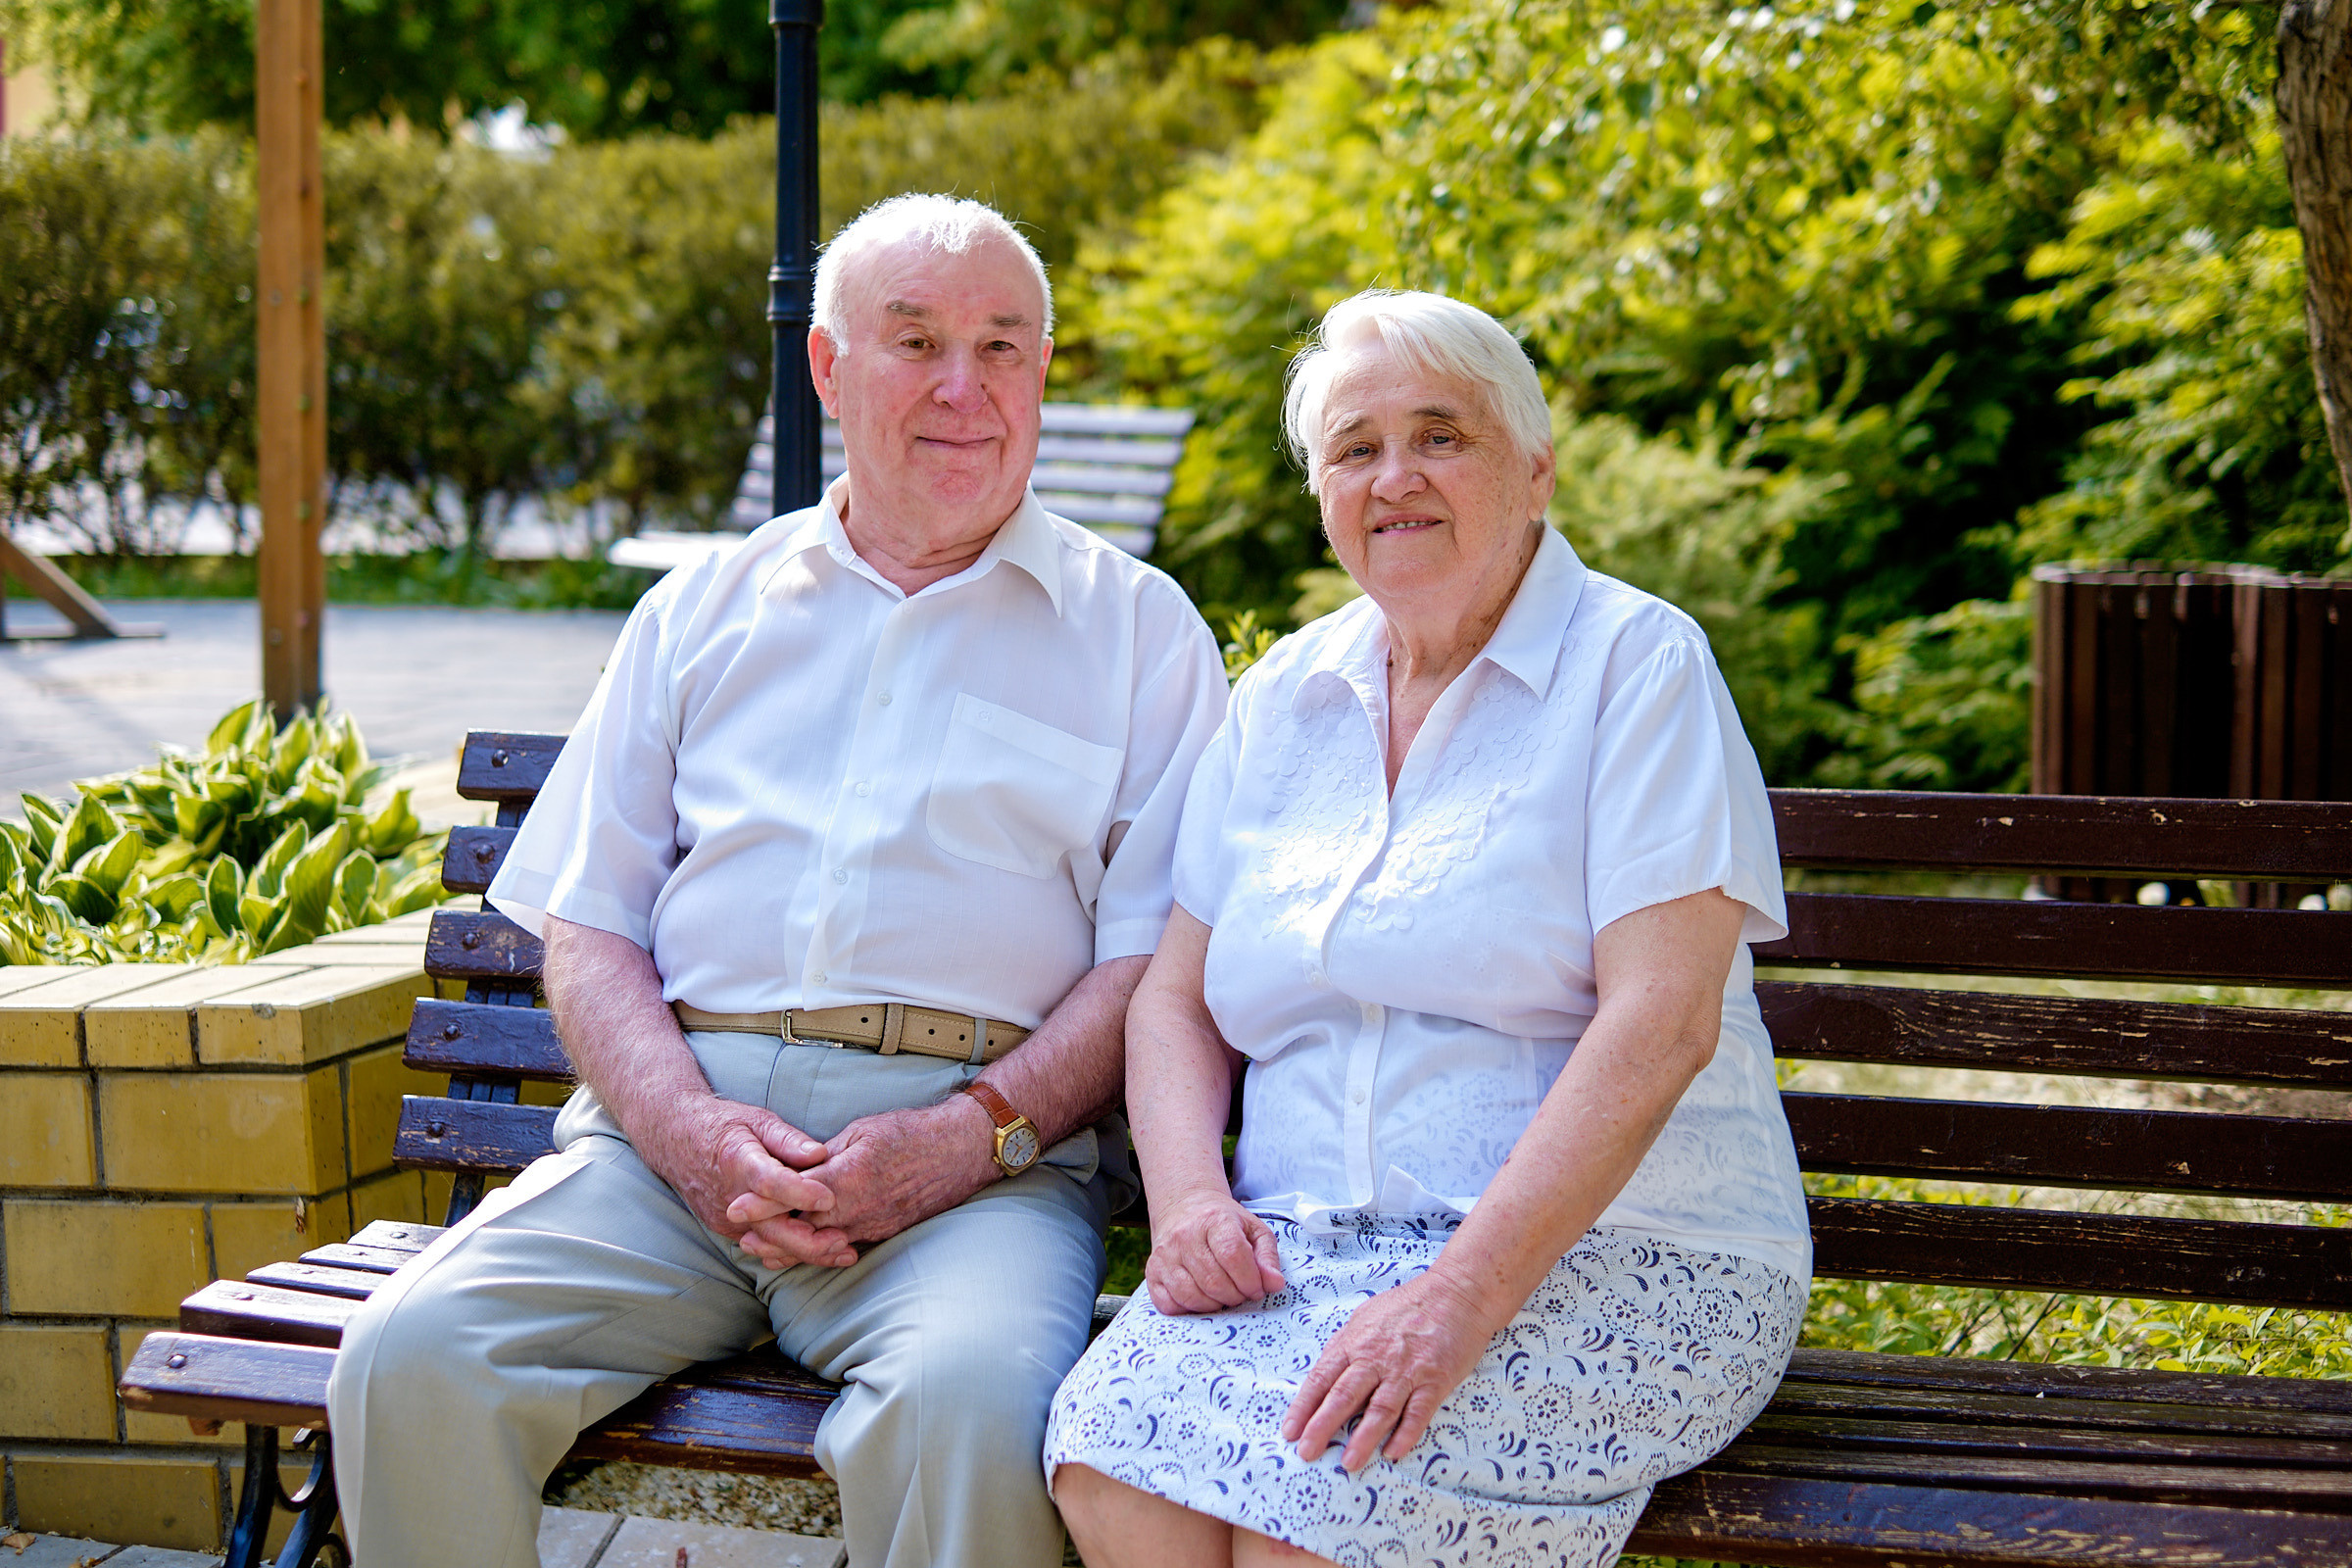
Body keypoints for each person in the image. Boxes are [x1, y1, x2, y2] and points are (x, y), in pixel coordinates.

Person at [324, 194, 1228, 1568]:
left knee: (969, 1408)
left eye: (1001, 347)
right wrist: (684, 1128)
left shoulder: (1140, 636)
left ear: (1042, 370)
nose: (961, 389)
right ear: (826, 368)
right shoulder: (703, 608)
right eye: (914, 341)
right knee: (410, 1360)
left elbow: (1147, 969)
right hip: (663, 1158)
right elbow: (592, 927)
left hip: (974, 1170)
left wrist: (967, 1135)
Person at [1045, 289, 1813, 1568]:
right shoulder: (1283, 699)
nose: (1393, 477)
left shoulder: (1637, 668)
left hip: (1619, 1258)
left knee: (1324, 1512)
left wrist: (1462, 1296)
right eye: (1355, 447)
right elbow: (1176, 1000)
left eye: (1440, 435)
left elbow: (1663, 1021)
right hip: (1301, 1259)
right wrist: (1185, 1207)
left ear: (1534, 470)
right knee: (1108, 1457)